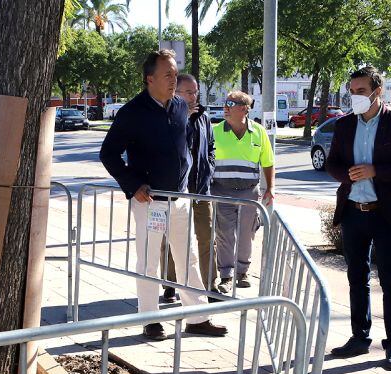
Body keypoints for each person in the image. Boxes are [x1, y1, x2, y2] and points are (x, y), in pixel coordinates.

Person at [99, 49, 227, 340]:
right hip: (149, 202)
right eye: (168, 74)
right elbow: (108, 154)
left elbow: (188, 147)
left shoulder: (180, 107)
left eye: (175, 72)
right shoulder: (132, 113)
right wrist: (134, 185)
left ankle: (197, 317)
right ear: (149, 79)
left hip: (180, 198)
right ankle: (150, 320)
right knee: (148, 263)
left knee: (188, 258)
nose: (174, 79)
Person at [325, 65, 391, 371]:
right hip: (354, 212)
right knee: (357, 279)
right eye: (352, 92)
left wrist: (375, 171)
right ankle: (359, 338)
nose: (355, 97)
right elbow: (333, 165)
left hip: (386, 214)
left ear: (378, 91)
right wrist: (348, 176)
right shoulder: (344, 126)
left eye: (361, 92)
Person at [211, 90, 274, 294]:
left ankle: (243, 272)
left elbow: (268, 162)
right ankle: (226, 275)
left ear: (245, 109)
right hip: (221, 190)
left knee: (247, 233)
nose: (226, 107)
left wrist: (270, 189)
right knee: (224, 234)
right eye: (225, 103)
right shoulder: (216, 131)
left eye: (231, 103)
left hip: (249, 192)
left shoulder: (259, 132)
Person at [162, 73, 217, 302]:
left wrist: (209, 169)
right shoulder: (168, 116)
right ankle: (170, 285)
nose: (194, 97)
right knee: (173, 239)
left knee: (206, 237)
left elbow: (211, 147)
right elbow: (169, 146)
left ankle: (209, 285)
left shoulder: (204, 117)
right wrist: (184, 119)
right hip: (175, 191)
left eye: (196, 92)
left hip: (200, 189)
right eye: (189, 92)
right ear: (176, 93)